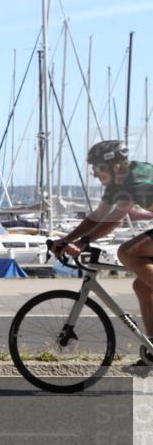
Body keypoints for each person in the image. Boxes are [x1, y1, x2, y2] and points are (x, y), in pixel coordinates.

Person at [50, 140, 153, 367]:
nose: (95, 174)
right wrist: (66, 239)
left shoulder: (135, 179)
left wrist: (84, 242)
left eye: (97, 168)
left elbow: (115, 218)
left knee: (126, 252)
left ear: (115, 165)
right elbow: (97, 216)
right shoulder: (118, 183)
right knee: (142, 287)